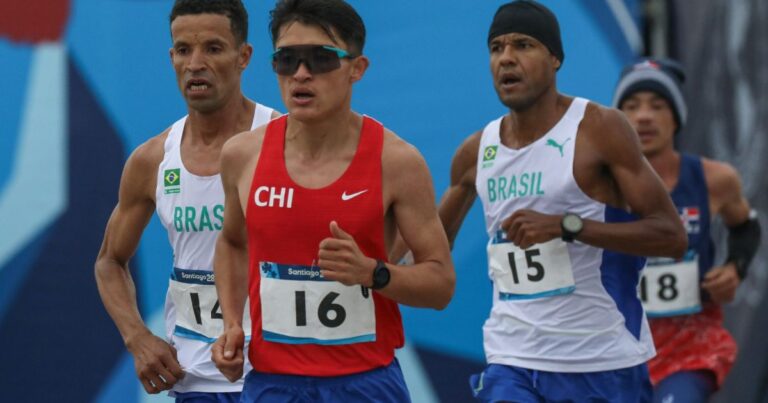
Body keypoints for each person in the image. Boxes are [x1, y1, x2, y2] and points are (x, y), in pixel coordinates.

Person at [421, 1, 689, 401]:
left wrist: (568, 226)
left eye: (523, 45)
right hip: (512, 357)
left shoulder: (599, 129)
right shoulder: (477, 151)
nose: (506, 59)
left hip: (599, 360)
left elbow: (671, 235)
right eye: (496, 48)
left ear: (555, 58)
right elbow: (431, 245)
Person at [210, 0, 455, 401]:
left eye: (321, 59)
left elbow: (441, 285)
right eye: (286, 59)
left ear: (357, 69)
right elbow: (233, 243)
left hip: (364, 383)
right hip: (272, 384)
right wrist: (232, 323)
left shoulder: (396, 162)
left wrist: (374, 273)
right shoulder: (241, 155)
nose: (301, 74)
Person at [94, 0, 279, 401]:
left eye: (213, 48)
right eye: (183, 50)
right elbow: (109, 261)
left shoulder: (285, 143)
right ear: (171, 57)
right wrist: (137, 336)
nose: (195, 63)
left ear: (243, 56)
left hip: (280, 378)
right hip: (196, 381)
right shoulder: (153, 158)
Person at [614, 58, 761, 403]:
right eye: (631, 107)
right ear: (617, 120)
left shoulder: (715, 179)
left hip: (689, 347)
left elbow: (747, 226)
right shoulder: (597, 185)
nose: (644, 116)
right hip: (615, 352)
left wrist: (735, 267)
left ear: (676, 116)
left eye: (658, 105)